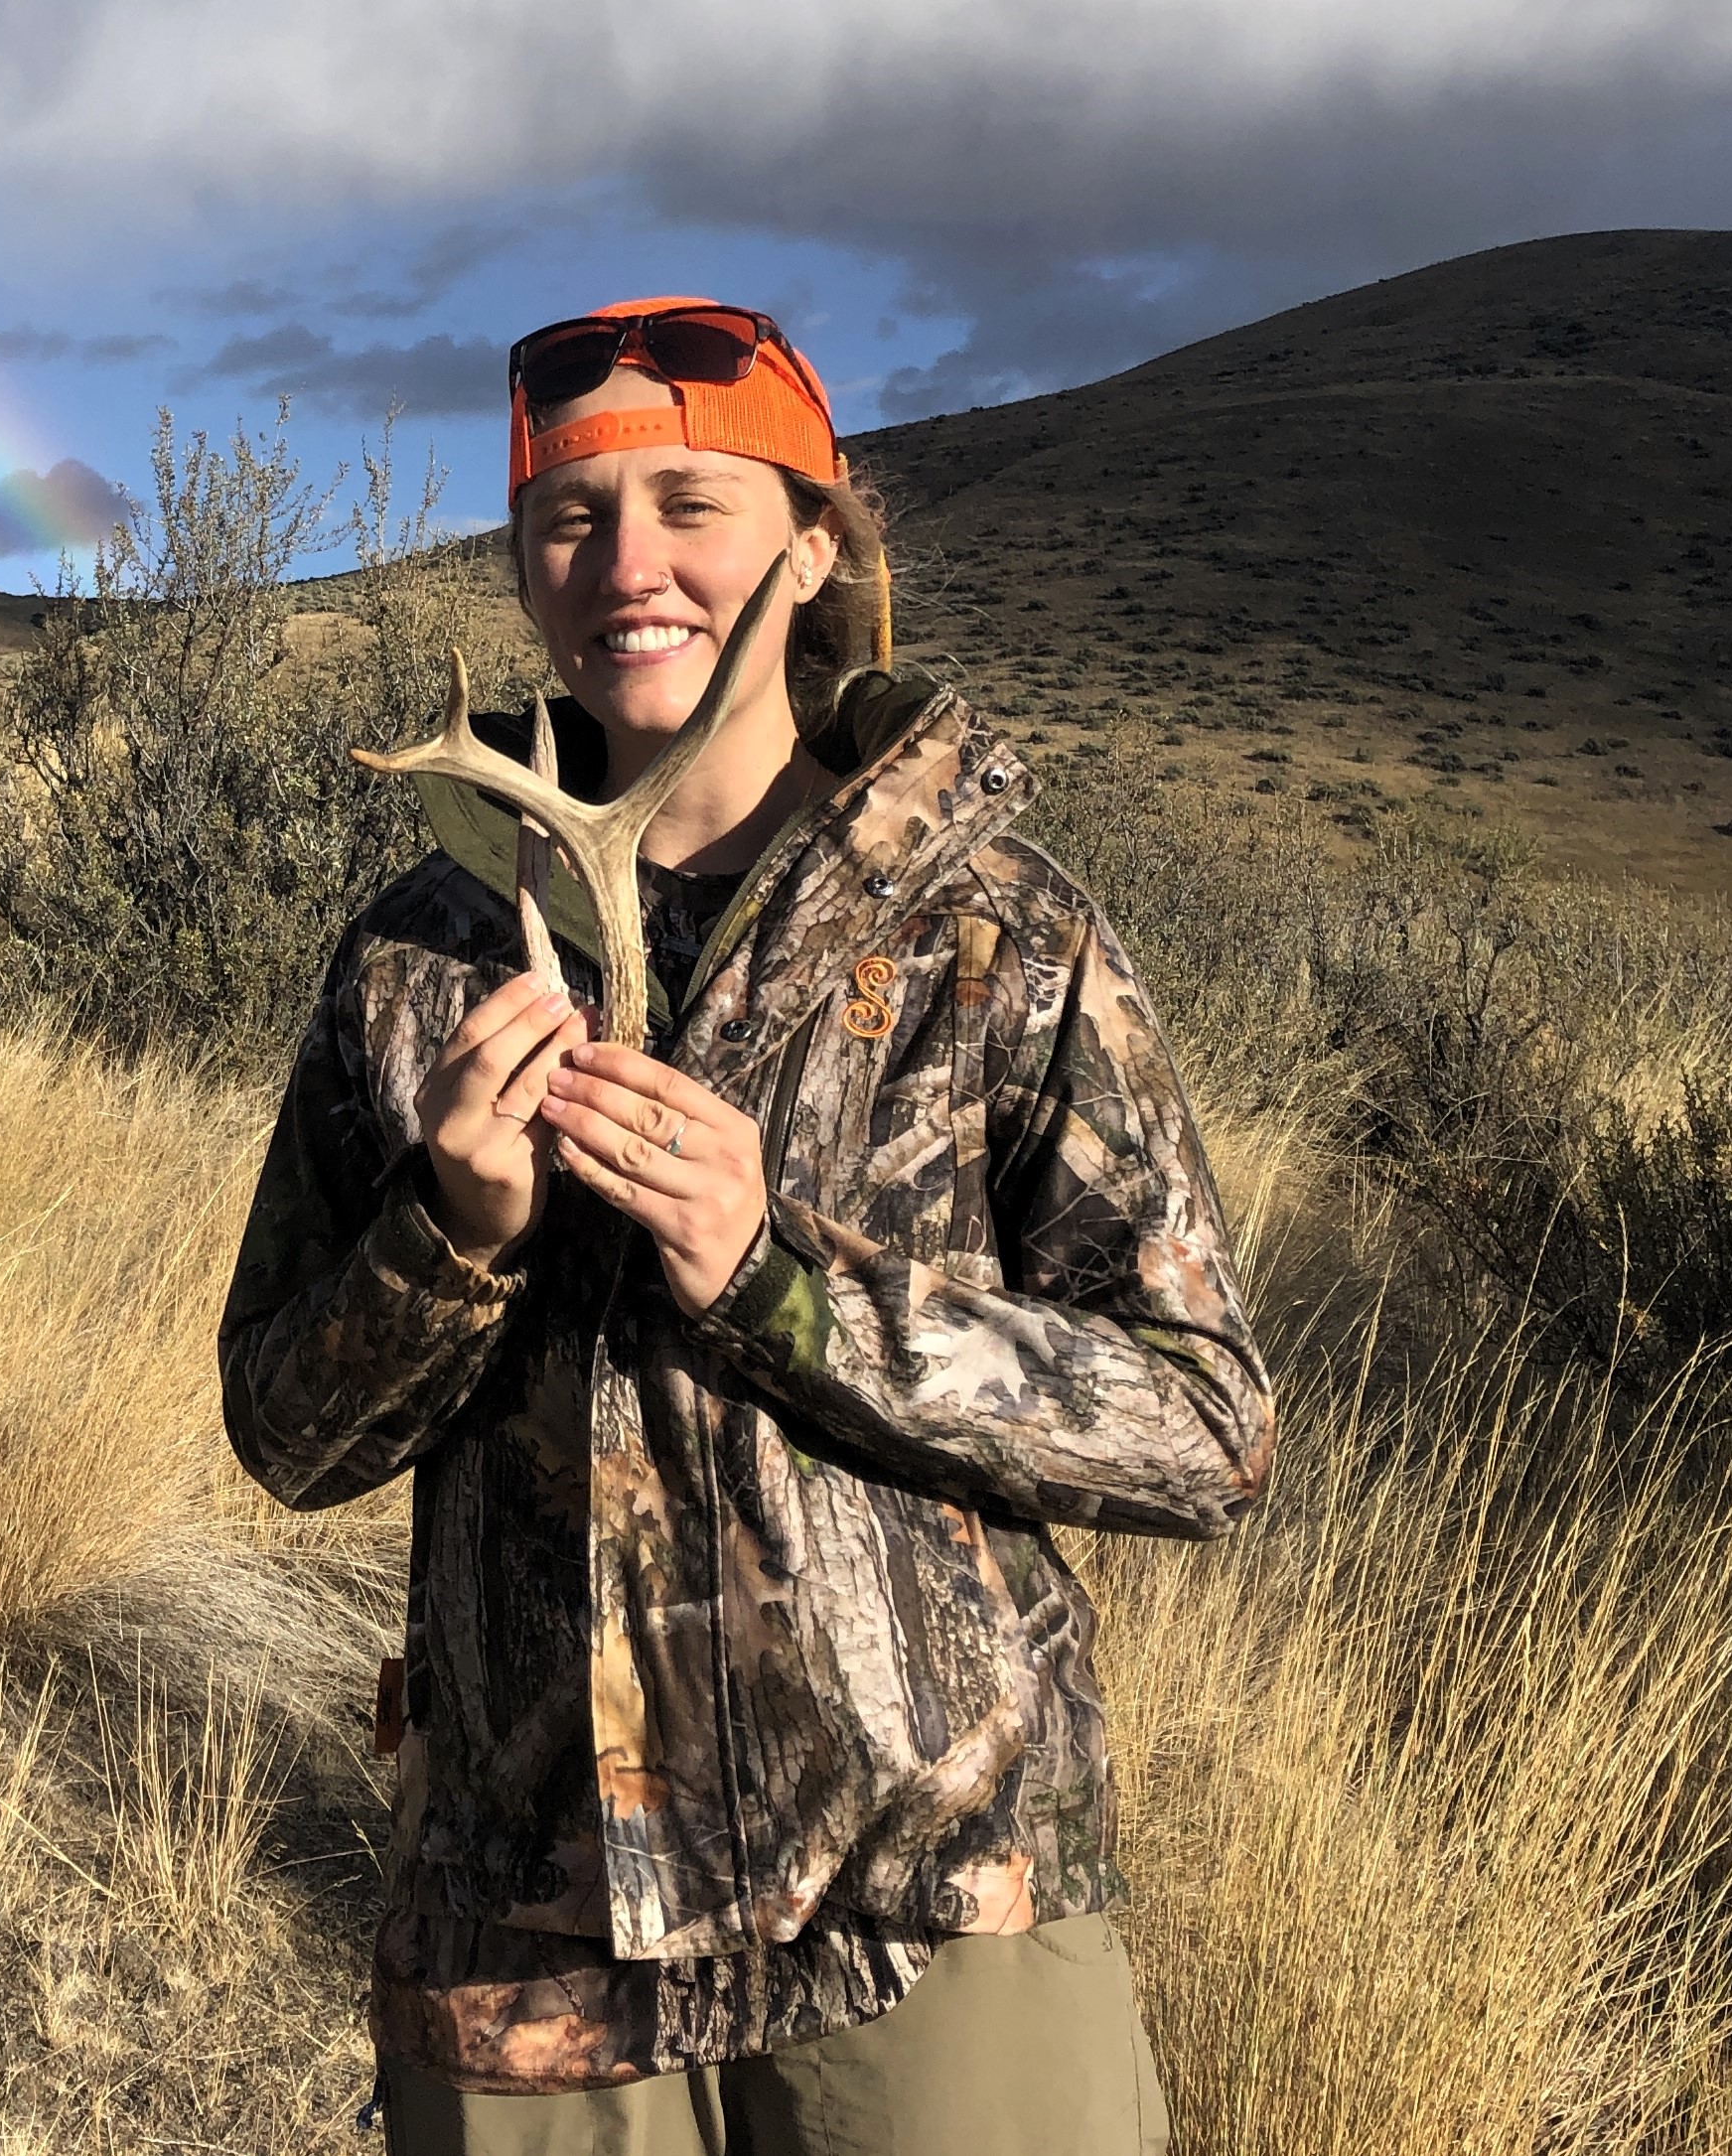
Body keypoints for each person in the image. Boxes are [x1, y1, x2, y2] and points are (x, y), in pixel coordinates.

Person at [218, 297, 1274, 2156]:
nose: (628, 565)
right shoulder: (419, 952)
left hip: (932, 1905)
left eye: (693, 505)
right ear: (525, 568)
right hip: (529, 1921)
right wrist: (450, 1233)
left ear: (813, 546)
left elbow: (1204, 1427)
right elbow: (286, 1437)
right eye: (571, 517)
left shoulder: (999, 933)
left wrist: (784, 1286)